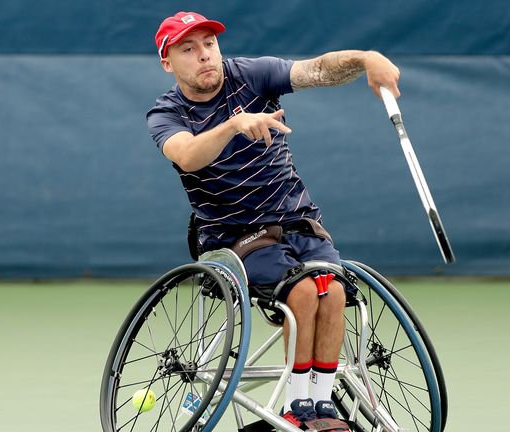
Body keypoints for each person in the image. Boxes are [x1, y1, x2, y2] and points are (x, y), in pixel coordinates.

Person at [146, 12, 400, 429]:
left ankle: (322, 407)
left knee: (333, 293)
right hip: (233, 238)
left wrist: (366, 58)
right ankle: (297, 409)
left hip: (299, 221)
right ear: (168, 63)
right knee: (301, 291)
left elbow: (318, 69)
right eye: (188, 49)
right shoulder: (166, 113)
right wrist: (233, 124)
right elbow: (188, 156)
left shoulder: (254, 75)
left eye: (208, 43)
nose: (204, 55)